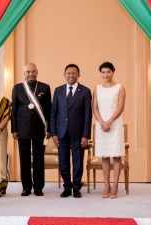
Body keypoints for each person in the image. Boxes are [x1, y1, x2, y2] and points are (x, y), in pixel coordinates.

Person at [51, 64, 92, 198]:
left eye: (74, 73)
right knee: (63, 161)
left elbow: (88, 115)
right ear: (64, 75)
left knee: (77, 161)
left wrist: (86, 135)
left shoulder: (85, 91)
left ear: (78, 75)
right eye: (68, 73)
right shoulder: (58, 91)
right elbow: (54, 113)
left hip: (79, 133)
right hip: (61, 131)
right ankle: (67, 187)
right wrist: (54, 132)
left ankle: (76, 187)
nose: (71, 75)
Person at [11, 63, 52, 197]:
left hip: (39, 128)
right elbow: (14, 110)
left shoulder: (45, 87)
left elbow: (48, 110)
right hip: (22, 128)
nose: (31, 74)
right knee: (24, 159)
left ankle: (38, 187)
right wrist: (14, 129)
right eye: (28, 72)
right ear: (24, 73)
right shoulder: (17, 88)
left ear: (37, 72)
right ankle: (26, 187)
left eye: (33, 71)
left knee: (39, 159)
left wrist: (48, 128)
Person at [92, 62, 126, 199]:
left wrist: (109, 121)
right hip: (101, 125)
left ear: (113, 72)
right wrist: (102, 122)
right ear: (100, 74)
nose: (106, 74)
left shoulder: (120, 87)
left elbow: (120, 107)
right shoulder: (97, 88)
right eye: (103, 72)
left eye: (108, 72)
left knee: (116, 155)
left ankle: (116, 184)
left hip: (115, 124)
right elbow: (94, 107)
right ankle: (107, 185)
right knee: (104, 156)